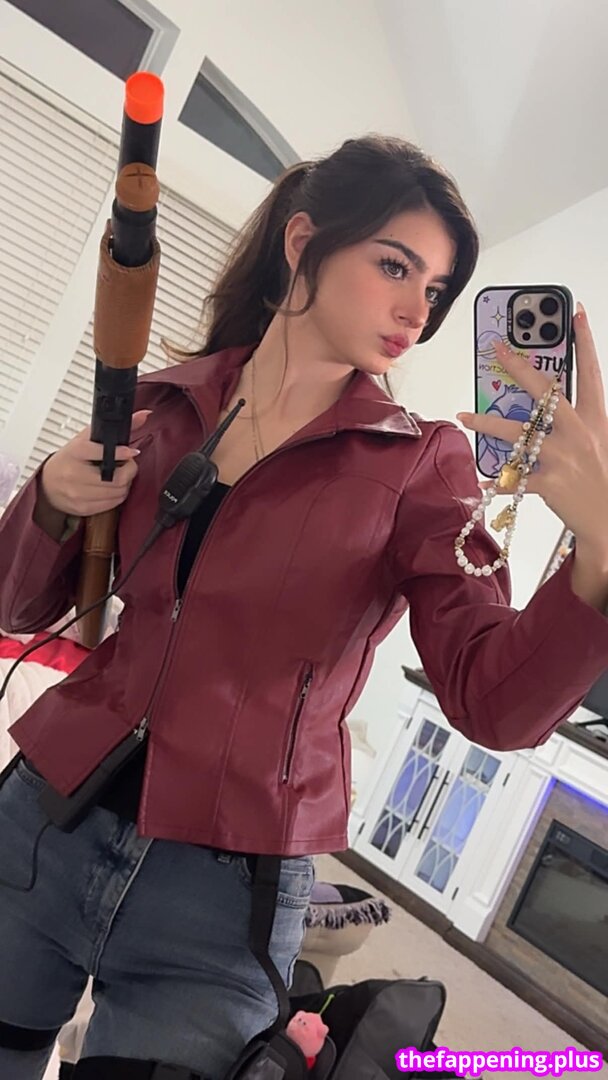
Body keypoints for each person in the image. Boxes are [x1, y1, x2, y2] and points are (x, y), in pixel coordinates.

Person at [1, 134, 608, 1080]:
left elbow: (495, 703)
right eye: (395, 266)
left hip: (225, 893)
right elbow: (19, 599)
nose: (416, 310)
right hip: (43, 822)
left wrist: (600, 549)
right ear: (302, 243)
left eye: (435, 290)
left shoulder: (424, 464)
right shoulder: (166, 405)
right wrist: (48, 497)